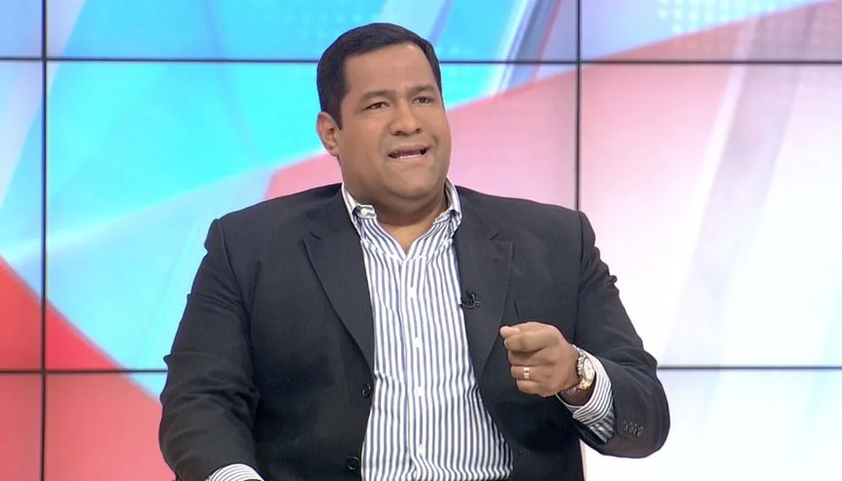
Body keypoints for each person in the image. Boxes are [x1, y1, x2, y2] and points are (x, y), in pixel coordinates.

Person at [159, 22, 670, 481]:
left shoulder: (555, 240)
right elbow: (198, 402)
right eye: (378, 105)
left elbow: (646, 418)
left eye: (424, 99)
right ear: (331, 133)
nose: (408, 122)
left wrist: (577, 376)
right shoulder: (249, 247)